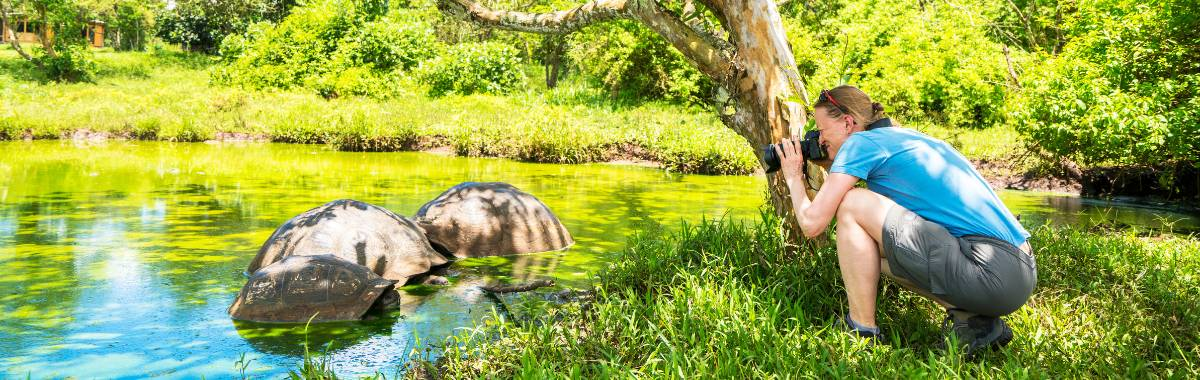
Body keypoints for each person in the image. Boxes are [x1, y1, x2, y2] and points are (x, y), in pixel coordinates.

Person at [773, 85, 1037, 353]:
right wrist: (831, 163)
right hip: (1017, 270)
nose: (818, 139)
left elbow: (811, 224)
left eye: (821, 130)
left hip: (990, 266)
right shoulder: (903, 138)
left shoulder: (860, 143)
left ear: (848, 122)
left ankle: (861, 330)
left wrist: (793, 175)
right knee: (870, 252)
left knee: (852, 202)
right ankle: (976, 322)